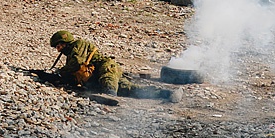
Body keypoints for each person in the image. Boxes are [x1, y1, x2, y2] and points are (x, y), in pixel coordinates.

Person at [48, 30, 182, 102]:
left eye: (59, 46)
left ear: (65, 41)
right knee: (131, 90)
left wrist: (60, 72)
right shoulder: (70, 57)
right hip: (98, 77)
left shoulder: (78, 45)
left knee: (108, 80)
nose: (58, 50)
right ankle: (167, 93)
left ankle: (110, 95)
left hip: (106, 67)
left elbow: (77, 63)